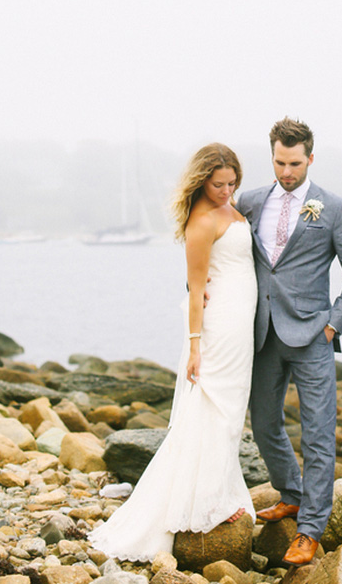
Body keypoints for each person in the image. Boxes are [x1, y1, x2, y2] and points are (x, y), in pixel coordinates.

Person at [89, 143, 257, 561]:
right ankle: (207, 502)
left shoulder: (233, 208)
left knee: (233, 409)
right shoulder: (201, 222)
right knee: (213, 407)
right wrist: (195, 346)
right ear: (203, 180)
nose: (226, 190)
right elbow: (196, 289)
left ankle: (217, 489)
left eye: (232, 183)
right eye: (218, 184)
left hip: (241, 326)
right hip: (217, 331)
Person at [237, 117, 342, 567]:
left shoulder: (333, 207)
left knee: (317, 433)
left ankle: (310, 528)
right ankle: (291, 494)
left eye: (295, 163)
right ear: (272, 156)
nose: (287, 172)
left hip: (313, 333)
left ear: (310, 158)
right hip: (263, 332)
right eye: (279, 162)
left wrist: (333, 325)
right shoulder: (252, 202)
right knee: (263, 422)